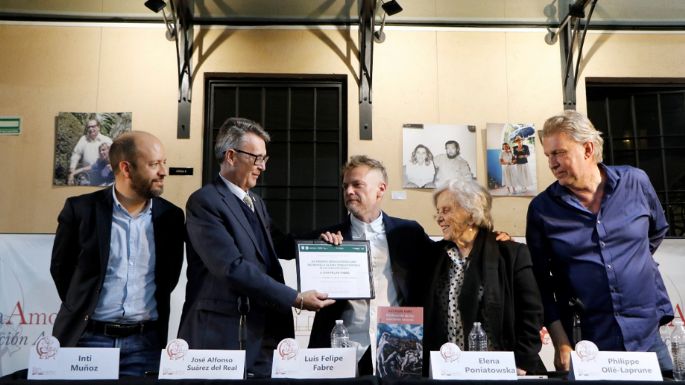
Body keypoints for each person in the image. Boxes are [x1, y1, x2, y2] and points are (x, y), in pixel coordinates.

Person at [177, 117, 335, 378]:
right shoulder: (204, 202)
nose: (262, 166)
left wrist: (322, 241)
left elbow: (281, 245)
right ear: (230, 156)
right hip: (224, 334)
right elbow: (231, 268)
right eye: (256, 158)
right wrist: (295, 298)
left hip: (266, 333)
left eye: (265, 159)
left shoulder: (255, 202)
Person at [526, 110, 674, 372]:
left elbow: (656, 230)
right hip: (588, 342)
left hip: (647, 336)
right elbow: (541, 283)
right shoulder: (542, 209)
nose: (552, 163)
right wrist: (561, 342)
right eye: (548, 155)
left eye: (559, 153)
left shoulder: (636, 182)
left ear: (588, 149)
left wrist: (630, 262)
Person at [50, 131, 184, 377]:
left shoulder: (172, 217)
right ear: (126, 168)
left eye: (163, 162)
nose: (163, 171)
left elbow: (169, 277)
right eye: (154, 164)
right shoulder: (80, 211)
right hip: (87, 340)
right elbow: (61, 270)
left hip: (146, 345)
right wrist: (83, 305)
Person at [309, 155, 434, 375]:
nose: (349, 191)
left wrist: (494, 240)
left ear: (381, 189)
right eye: (345, 185)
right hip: (343, 348)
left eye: (357, 185)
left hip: (400, 349)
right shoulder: (329, 237)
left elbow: (444, 255)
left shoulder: (408, 232)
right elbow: (283, 245)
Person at [423, 178, 545, 375]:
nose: (439, 218)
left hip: (498, 371)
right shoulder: (434, 257)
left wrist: (523, 362)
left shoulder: (511, 254)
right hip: (447, 371)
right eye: (438, 212)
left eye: (446, 210)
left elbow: (532, 315)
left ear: (471, 215)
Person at [68, 118, 113, 185]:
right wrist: (72, 171)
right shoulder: (83, 139)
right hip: (86, 176)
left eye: (93, 126)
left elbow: (114, 155)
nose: (90, 129)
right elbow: (76, 154)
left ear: (98, 127)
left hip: (103, 177)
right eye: (89, 127)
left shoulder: (107, 140)